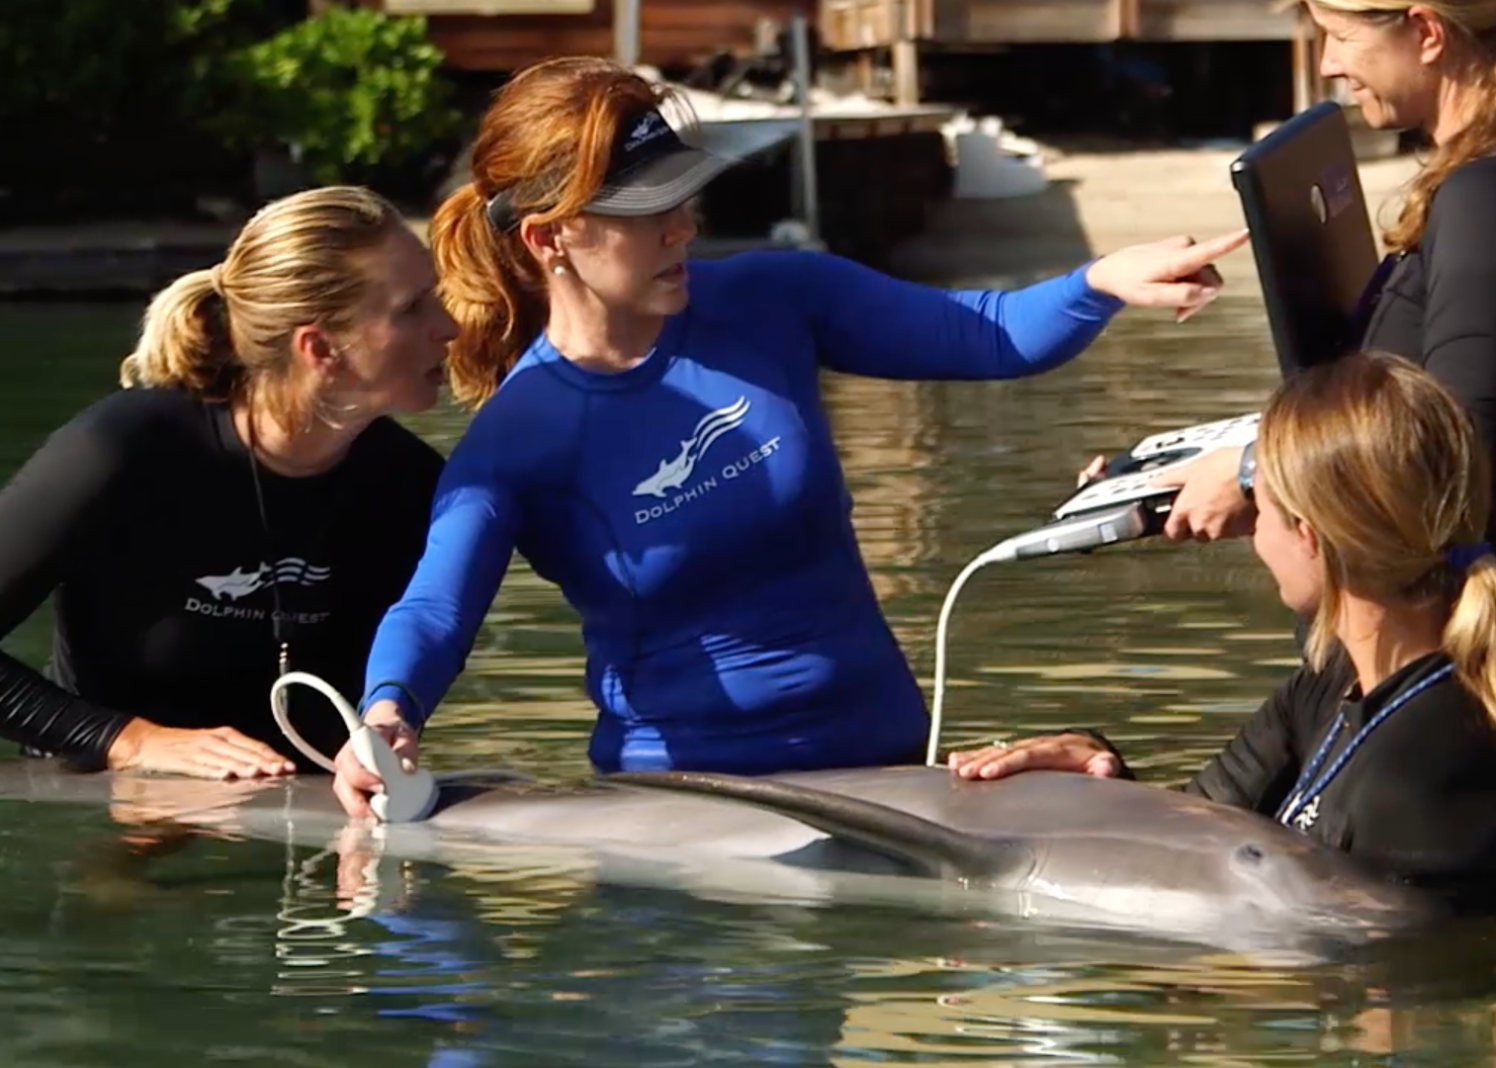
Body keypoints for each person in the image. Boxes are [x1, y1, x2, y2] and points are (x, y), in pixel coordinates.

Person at [328, 54, 1248, 816]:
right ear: (548, 239)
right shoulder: (516, 438)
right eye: (651, 212)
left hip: (891, 770)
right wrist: (388, 712)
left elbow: (985, 331)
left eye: (684, 198)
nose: (685, 226)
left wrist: (1099, 281)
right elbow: (436, 610)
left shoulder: (773, 300)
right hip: (688, 812)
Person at [0, 186, 458, 780]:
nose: (448, 327)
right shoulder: (124, 449)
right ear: (320, 348)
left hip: (305, 804)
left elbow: (401, 669)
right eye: (411, 309)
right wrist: (131, 742)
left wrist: (385, 735)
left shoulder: (411, 483)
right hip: (110, 800)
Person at [953, 353, 1496, 908]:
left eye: (1257, 511)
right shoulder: (1327, 689)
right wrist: (1100, 771)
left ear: (1307, 537)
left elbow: (1412, 970)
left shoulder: (1430, 763)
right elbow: (1200, 822)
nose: (1252, 537)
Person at [1151, 0, 1496, 542]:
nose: (1327, 65)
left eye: (1338, 34)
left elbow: (1462, 437)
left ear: (1426, 31)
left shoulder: (1481, 195)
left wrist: (1258, 473)